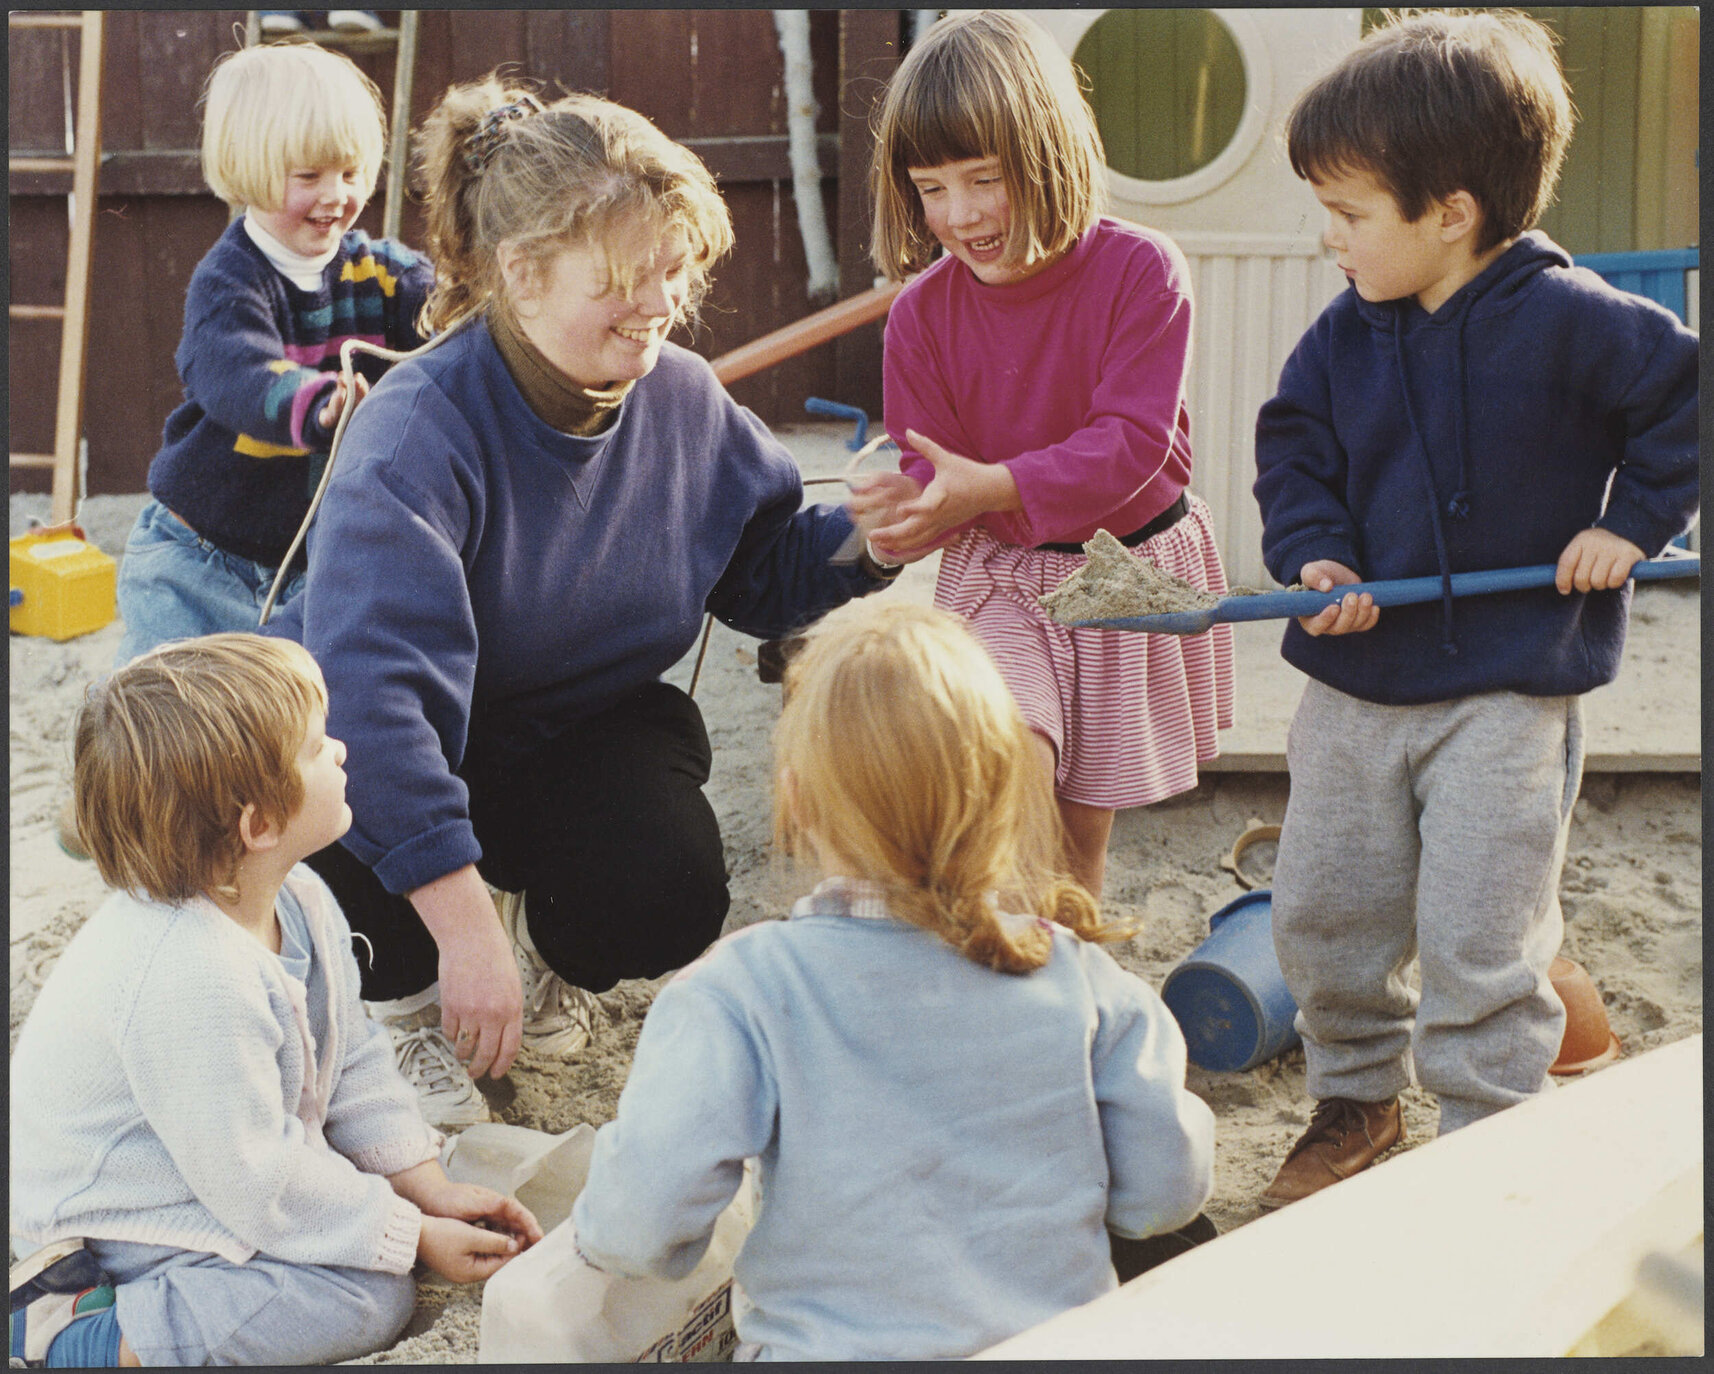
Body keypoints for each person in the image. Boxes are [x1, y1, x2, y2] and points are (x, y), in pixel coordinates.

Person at [268, 75, 904, 1128]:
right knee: (336, 821)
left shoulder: (681, 397)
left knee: (666, 892)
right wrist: (465, 928)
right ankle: (408, 1005)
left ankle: (544, 950)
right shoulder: (418, 431)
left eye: (673, 270)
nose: (659, 303)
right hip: (385, 753)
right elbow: (374, 706)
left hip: (573, 727)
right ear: (520, 274)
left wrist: (871, 541)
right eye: (624, 277)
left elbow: (759, 570)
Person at [1251, 10, 1698, 1208]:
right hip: (1354, 690)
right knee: (1324, 909)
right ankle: (1355, 1099)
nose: (1329, 239)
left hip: (1511, 687)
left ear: (1449, 211)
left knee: (1478, 931)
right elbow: (1291, 453)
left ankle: (1493, 1143)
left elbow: (1683, 405)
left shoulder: (1578, 323)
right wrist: (1317, 559)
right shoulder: (1342, 340)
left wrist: (1629, 526)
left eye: (1349, 214)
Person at [572, 599, 1215, 1361]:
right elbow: (1164, 1196)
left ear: (798, 801)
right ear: (1006, 796)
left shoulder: (742, 991)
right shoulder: (1077, 977)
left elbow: (641, 1226)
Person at [9, 635, 542, 1368]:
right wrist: (409, 1235)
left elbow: (349, 1054)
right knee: (367, 1296)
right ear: (258, 824)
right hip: (111, 1225)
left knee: (370, 1239)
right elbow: (257, 1176)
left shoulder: (298, 893)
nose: (342, 753)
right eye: (318, 746)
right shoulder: (190, 974)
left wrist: (425, 1188)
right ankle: (81, 1337)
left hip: (211, 1160)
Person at [849, 9, 1235, 900]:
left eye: (985, 178)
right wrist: (905, 523)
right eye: (932, 187)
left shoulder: (1141, 270)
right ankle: (998, 975)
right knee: (1007, 777)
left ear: (1049, 154)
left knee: (1074, 842)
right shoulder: (920, 314)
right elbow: (928, 472)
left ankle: (1068, 997)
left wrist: (994, 484)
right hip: (1002, 575)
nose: (962, 213)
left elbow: (1131, 445)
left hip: (1116, 571)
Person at [111, 40, 432, 669]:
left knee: (297, 728)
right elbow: (237, 371)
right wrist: (316, 403)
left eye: (349, 171)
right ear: (249, 169)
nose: (336, 195)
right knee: (165, 718)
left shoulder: (386, 274)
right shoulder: (228, 282)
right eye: (308, 177)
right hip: (201, 558)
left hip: (316, 568)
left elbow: (445, 323)